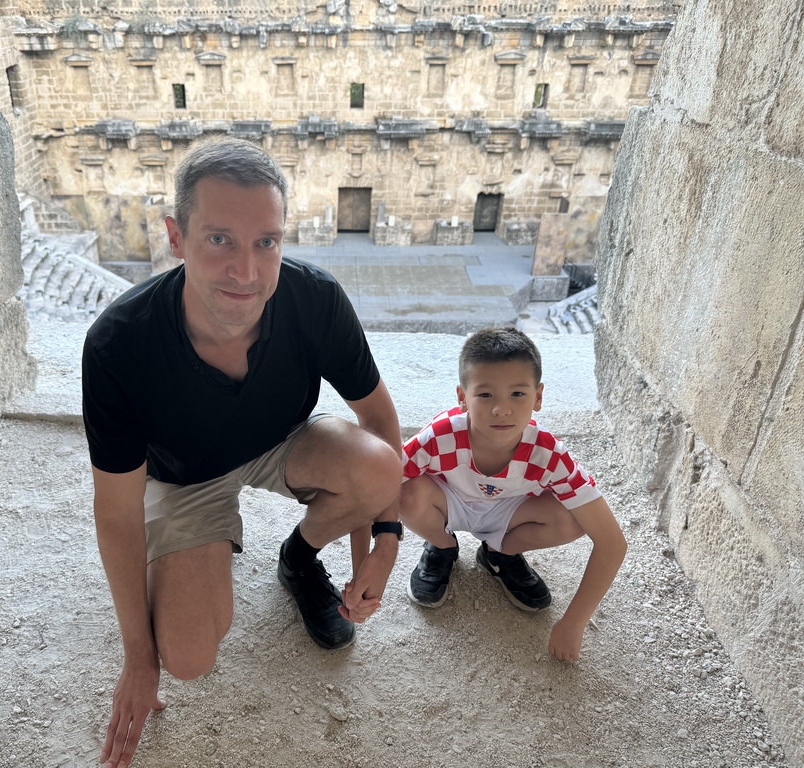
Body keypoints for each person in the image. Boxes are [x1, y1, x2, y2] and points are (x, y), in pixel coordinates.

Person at [82, 137, 403, 768]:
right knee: (189, 656)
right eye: (220, 239)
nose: (248, 273)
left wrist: (381, 546)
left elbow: (380, 419)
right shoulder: (119, 345)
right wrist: (137, 658)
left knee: (377, 468)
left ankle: (299, 556)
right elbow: (115, 514)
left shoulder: (315, 300)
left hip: (279, 437)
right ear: (176, 237)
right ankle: (182, 564)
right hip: (182, 477)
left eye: (267, 243)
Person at [398, 327, 626, 661]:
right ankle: (442, 546)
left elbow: (612, 542)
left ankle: (498, 553)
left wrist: (574, 622)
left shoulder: (549, 455)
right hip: (449, 501)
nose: (501, 410)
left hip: (509, 513)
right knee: (404, 490)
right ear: (462, 397)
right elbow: (381, 483)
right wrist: (379, 545)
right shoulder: (439, 436)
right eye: (485, 395)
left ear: (538, 397)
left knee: (573, 520)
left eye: (517, 394)